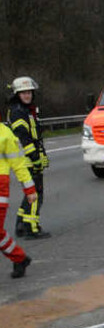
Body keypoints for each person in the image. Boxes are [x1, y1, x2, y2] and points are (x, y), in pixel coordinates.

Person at [6, 76, 49, 239]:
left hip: (28, 158)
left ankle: (21, 225)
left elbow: (35, 136)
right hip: (27, 160)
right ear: (17, 94)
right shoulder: (18, 112)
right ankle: (32, 228)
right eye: (23, 92)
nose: (27, 95)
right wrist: (36, 159)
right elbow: (25, 139)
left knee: (29, 193)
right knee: (35, 194)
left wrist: (41, 154)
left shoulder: (26, 110)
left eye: (29, 92)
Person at [0, 121, 36, 277]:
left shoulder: (5, 134)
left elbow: (19, 164)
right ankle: (19, 257)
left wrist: (29, 189)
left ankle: (19, 258)